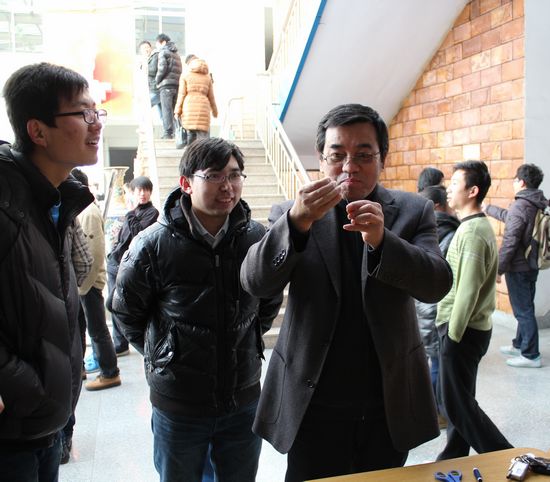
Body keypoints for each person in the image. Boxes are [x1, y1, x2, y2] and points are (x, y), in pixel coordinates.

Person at [240, 103, 453, 481]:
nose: (349, 167)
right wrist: (296, 223)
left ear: (382, 158)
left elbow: (436, 284)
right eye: (337, 155)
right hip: (312, 401)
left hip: (387, 403)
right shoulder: (290, 212)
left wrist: (383, 241)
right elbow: (256, 281)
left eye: (364, 155)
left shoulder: (413, 210)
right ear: (321, 159)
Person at [111, 137, 283, 482]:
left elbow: (269, 299)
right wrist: (165, 354)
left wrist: (245, 340)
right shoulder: (152, 244)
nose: (227, 186)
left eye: (234, 175)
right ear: (186, 183)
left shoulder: (256, 238)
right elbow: (126, 312)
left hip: (243, 397)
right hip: (179, 405)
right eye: (214, 176)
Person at [0, 62, 102, 481]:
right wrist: (18, 386)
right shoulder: (7, 201)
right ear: (37, 131)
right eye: (83, 113)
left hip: (44, 422)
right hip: (11, 433)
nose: (96, 123)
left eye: (97, 111)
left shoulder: (54, 198)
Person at [436, 160, 513, 460]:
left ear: (473, 191)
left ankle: (506, 458)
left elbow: (466, 291)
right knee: (461, 399)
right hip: (469, 329)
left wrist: (451, 336)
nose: (449, 189)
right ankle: (453, 456)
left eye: (455, 183)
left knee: (457, 404)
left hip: (462, 331)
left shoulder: (472, 233)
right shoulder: (473, 227)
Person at [484, 163, 548, 368]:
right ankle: (520, 344)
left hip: (519, 267)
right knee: (525, 307)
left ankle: (531, 355)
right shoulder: (537, 203)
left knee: (523, 311)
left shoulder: (521, 205)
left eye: (514, 179)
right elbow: (510, 218)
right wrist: (488, 209)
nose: (513, 182)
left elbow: (510, 241)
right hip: (532, 265)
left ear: (521, 182)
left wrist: (498, 269)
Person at [72, 168, 122, 389]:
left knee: (97, 329)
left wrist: (84, 285)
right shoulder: (80, 209)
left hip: (88, 283)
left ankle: (110, 372)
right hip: (81, 283)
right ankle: (81, 368)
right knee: (81, 329)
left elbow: (94, 252)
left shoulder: (88, 211)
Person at [416, 185, 460, 428]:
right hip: (439, 308)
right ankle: (438, 412)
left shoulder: (418, 228)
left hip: (421, 306)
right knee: (438, 364)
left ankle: (434, 411)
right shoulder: (453, 231)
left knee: (431, 362)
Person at [106, 176, 159, 356]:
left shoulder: (151, 213)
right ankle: (119, 343)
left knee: (116, 303)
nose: (142, 193)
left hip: (128, 266)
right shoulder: (134, 211)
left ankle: (122, 342)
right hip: (115, 263)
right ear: (133, 192)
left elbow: (138, 234)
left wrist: (129, 214)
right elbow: (122, 238)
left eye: (146, 190)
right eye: (139, 190)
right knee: (115, 303)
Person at [174, 54, 218, 145]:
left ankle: (191, 152)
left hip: (189, 107)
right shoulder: (207, 76)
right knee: (204, 137)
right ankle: (204, 153)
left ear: (189, 64)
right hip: (203, 108)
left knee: (191, 135)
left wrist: (177, 111)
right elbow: (211, 96)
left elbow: (181, 95)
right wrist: (215, 111)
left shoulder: (185, 75)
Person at [155, 33, 182, 139]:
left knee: (166, 110)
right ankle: (179, 132)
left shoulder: (163, 52)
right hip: (176, 85)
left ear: (163, 42)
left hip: (166, 85)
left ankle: (168, 133)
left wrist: (157, 80)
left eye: (157, 44)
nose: (157, 46)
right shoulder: (176, 54)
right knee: (175, 110)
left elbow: (162, 68)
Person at [138, 40, 162, 121]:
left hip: (157, 89)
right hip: (153, 89)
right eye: (143, 48)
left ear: (151, 48)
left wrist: (143, 66)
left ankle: (144, 125)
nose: (146, 49)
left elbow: (153, 70)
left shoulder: (155, 56)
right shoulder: (146, 59)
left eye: (147, 47)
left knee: (146, 106)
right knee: (163, 115)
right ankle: (173, 128)